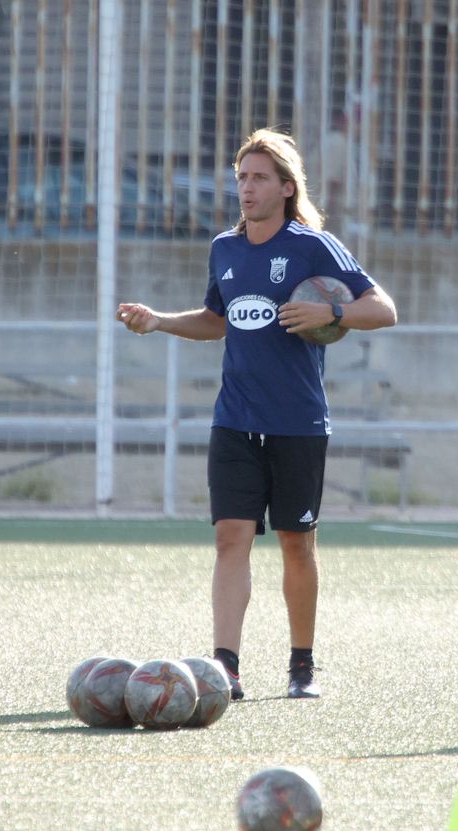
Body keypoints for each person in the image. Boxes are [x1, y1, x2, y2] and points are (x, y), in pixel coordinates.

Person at [116, 128, 397, 701]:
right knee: (230, 538)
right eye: (241, 176)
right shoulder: (225, 247)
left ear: (287, 188)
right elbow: (218, 319)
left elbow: (383, 309)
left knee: (297, 544)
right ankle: (225, 668)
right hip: (234, 421)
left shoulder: (313, 245)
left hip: (298, 423)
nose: (246, 187)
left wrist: (330, 308)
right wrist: (161, 321)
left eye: (259, 177)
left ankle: (301, 666)